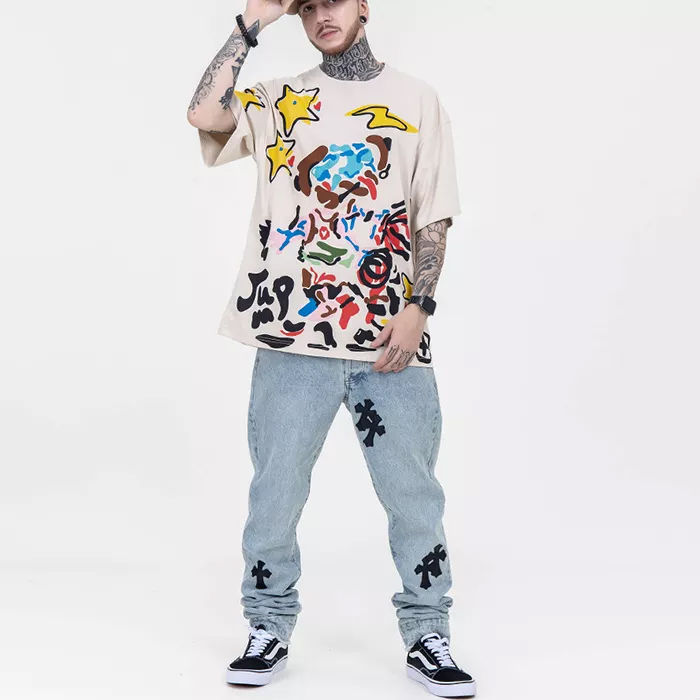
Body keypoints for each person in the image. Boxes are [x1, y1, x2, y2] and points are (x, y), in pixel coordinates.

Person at [187, 0, 476, 695]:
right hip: (292, 337)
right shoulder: (278, 101)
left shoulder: (416, 99)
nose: (322, 15)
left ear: (364, 7)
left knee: (413, 493)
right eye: (308, 5)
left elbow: (433, 214)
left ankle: (427, 631)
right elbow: (203, 115)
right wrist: (252, 21)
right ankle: (267, 624)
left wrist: (420, 306)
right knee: (276, 491)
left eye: (334, 1)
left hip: (389, 339)